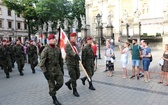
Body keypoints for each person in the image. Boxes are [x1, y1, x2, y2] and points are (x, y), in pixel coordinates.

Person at [40, 34, 64, 105]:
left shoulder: (57, 49)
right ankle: (54, 99)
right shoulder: (46, 50)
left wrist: (62, 68)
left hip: (58, 69)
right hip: (49, 71)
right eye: (53, 39)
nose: (54, 40)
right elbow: (42, 63)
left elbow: (60, 60)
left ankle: (52, 91)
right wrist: (45, 72)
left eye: (54, 38)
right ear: (49, 40)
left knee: (60, 83)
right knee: (51, 85)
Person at [65, 33, 80, 97]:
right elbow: (69, 51)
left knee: (78, 75)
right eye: (74, 37)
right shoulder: (68, 45)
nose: (75, 38)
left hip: (76, 63)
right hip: (70, 63)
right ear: (71, 38)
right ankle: (74, 90)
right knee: (73, 77)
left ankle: (68, 82)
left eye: (76, 37)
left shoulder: (76, 45)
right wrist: (75, 55)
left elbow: (78, 51)